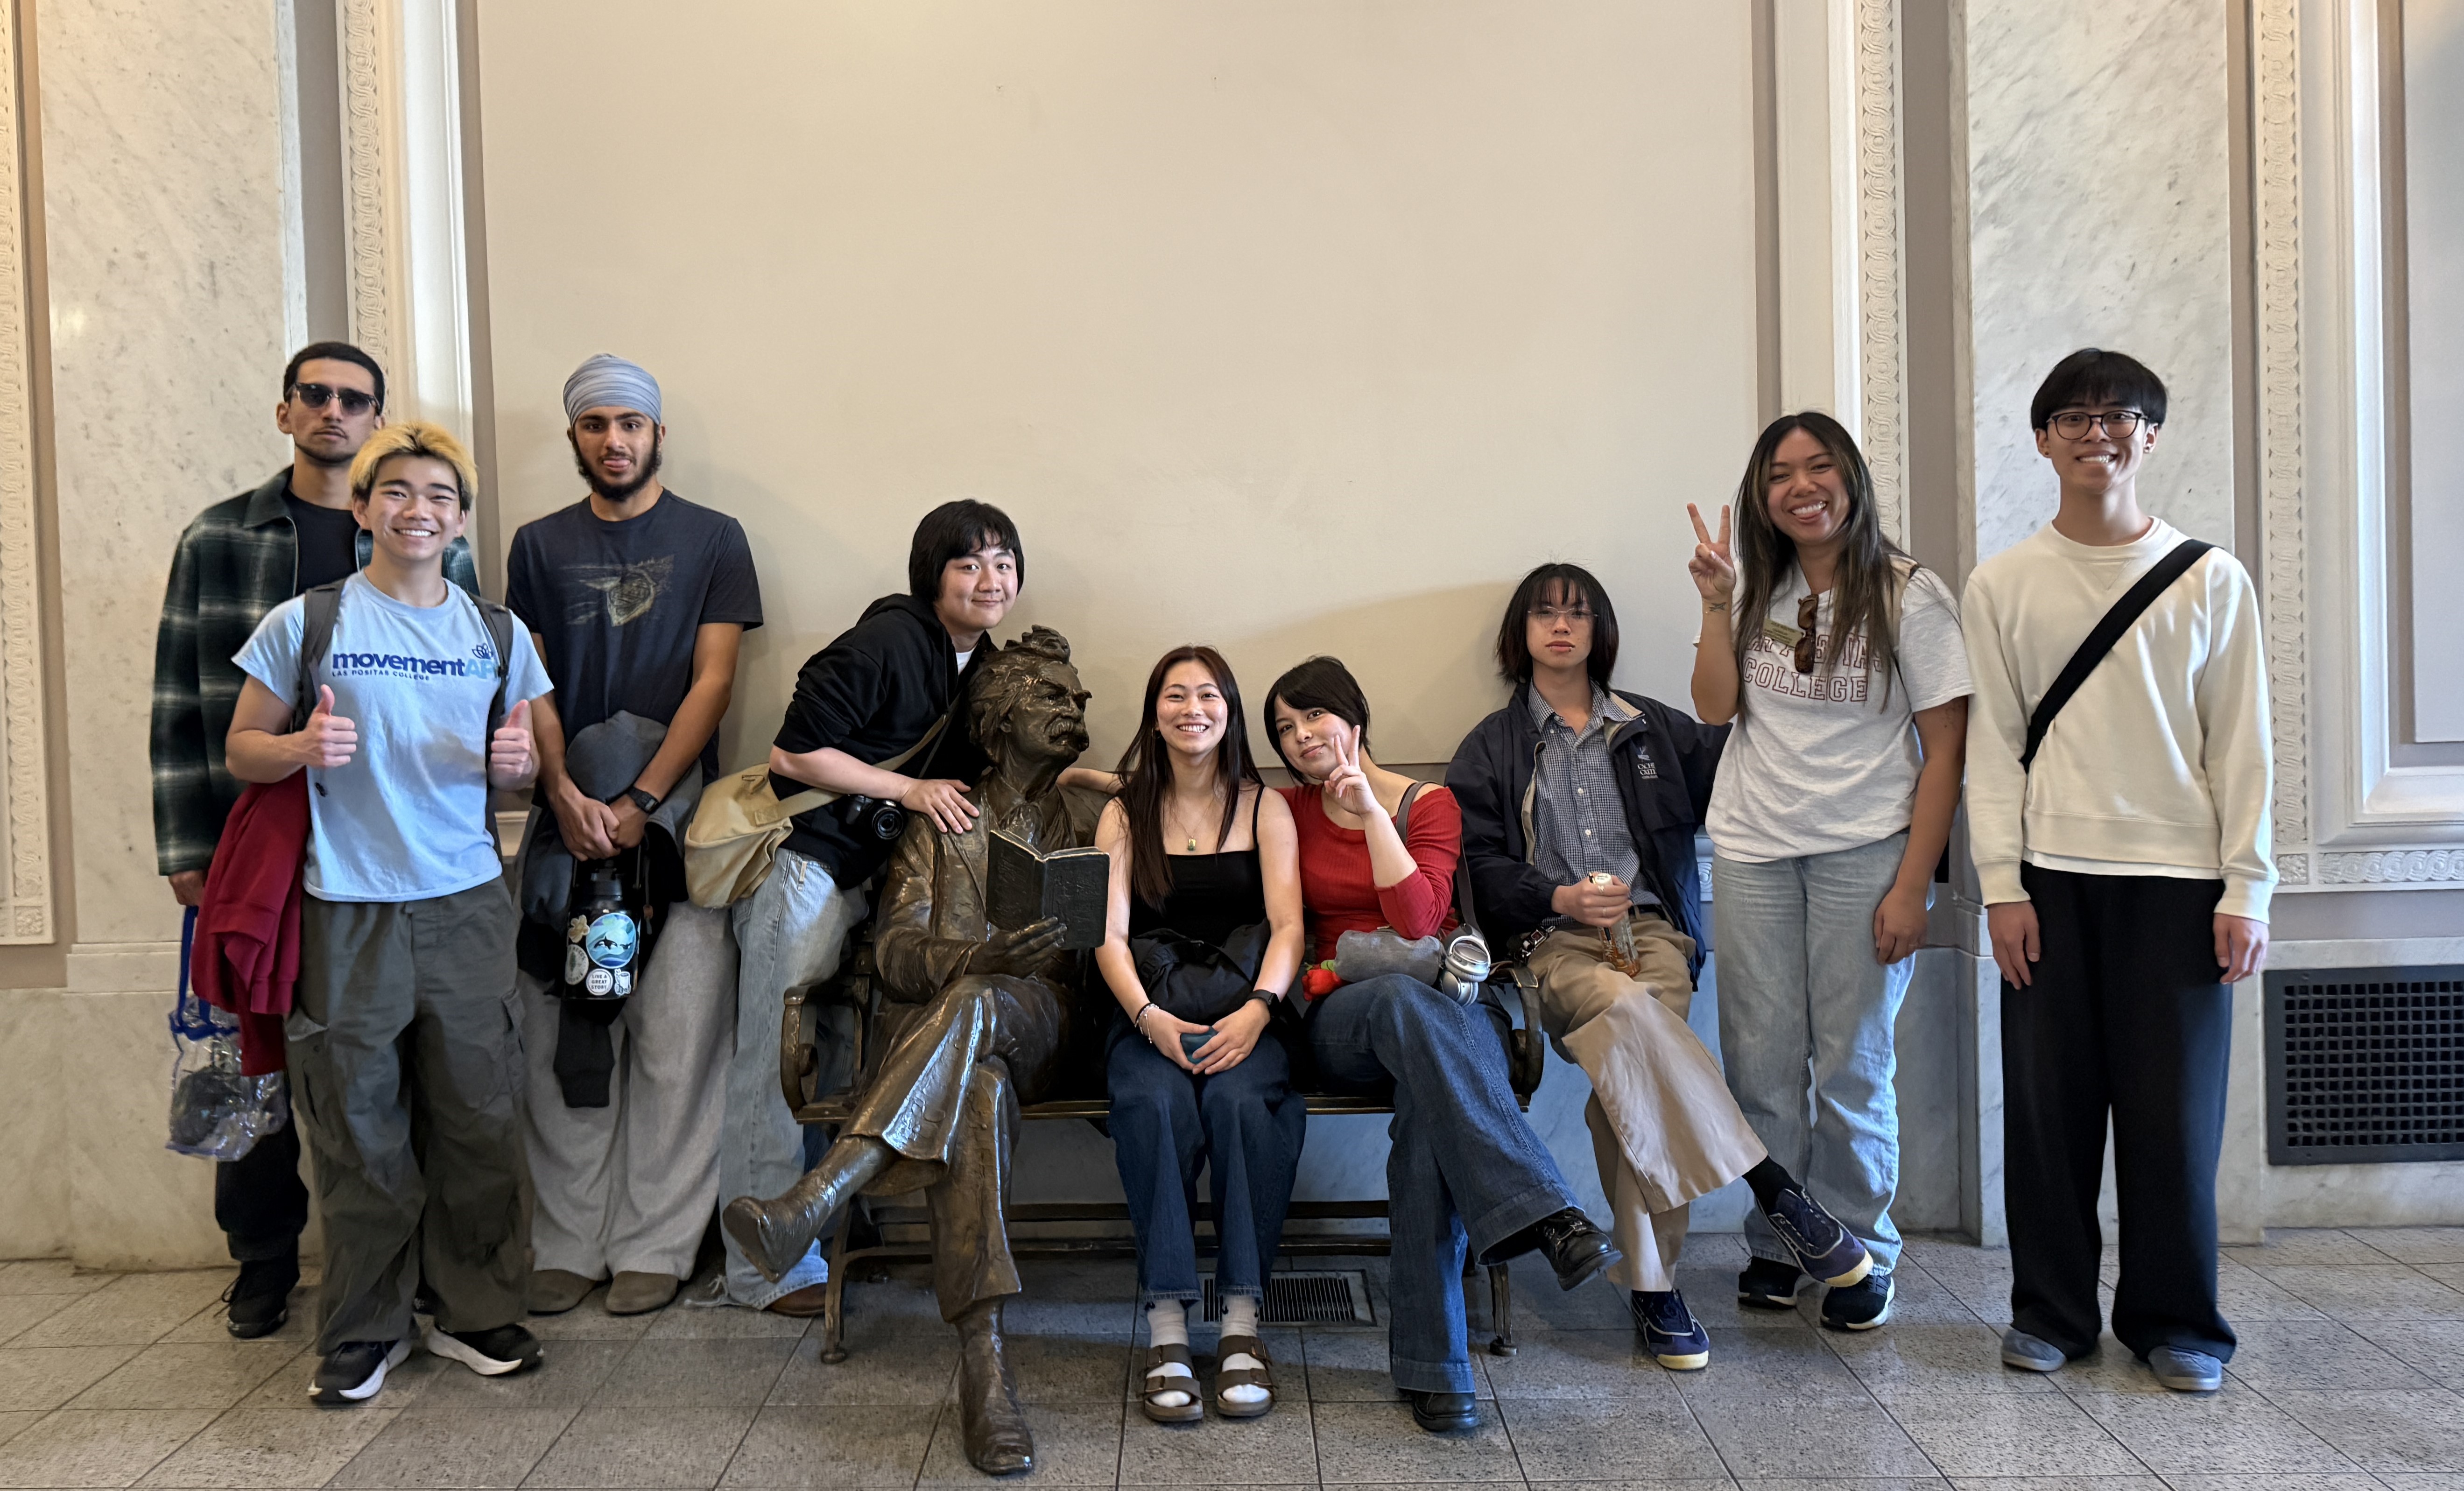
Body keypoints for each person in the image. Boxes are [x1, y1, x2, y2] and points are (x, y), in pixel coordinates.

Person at [1448, 563, 1873, 1369]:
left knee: (1629, 1079)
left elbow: (1755, 737)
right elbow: (1478, 865)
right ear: (1521, 634)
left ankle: (1653, 1289)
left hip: (1656, 937)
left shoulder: (1652, 727)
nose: (1560, 626)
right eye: (1543, 614)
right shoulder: (1495, 744)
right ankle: (1771, 1184)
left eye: (1578, 613)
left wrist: (1745, 618)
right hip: (1553, 946)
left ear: (1602, 630)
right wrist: (1559, 898)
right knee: (1630, 1020)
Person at [150, 341, 479, 1339]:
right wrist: (184, 843)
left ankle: (414, 1270)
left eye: (356, 400)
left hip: (388, 853)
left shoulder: (427, 540)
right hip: (260, 836)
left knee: (381, 1069)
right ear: (287, 412)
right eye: (317, 396)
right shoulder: (220, 536)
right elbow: (180, 694)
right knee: (255, 1051)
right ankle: (261, 1259)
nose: (334, 411)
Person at [1963, 349, 2273, 1393]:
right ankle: (2048, 1311)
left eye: (2120, 415)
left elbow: (2243, 746)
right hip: (2047, 876)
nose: (2097, 432)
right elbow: (1991, 746)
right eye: (2074, 416)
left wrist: (2246, 886)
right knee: (2047, 1115)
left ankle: (2177, 1320)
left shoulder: (2208, 577)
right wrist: (1999, 886)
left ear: (2149, 434)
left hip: (2178, 881)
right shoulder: (2001, 582)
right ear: (2043, 436)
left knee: (2172, 1118)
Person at [224, 422, 551, 1403]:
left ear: (461, 518)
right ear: (363, 507)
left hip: (464, 901)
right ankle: (366, 1326)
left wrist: (518, 773)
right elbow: (242, 746)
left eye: (441, 497)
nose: (420, 511)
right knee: (357, 1123)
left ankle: (478, 1310)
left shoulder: (497, 633)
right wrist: (297, 750)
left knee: (479, 1114)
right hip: (346, 905)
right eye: (398, 492)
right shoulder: (308, 622)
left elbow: (521, 766)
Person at [724, 627, 1099, 1476]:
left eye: (1079, 700)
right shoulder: (939, 819)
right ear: (999, 717)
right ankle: (984, 1369)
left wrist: (1004, 965)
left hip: (1048, 1026)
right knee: (975, 1094)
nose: (1075, 711)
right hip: (956, 1048)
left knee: (980, 1007)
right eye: (1053, 698)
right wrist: (977, 960)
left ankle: (820, 1194)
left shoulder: (1088, 813)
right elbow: (894, 953)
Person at [1266, 656, 1618, 1433]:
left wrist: (1367, 815)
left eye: (1311, 718)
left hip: (1456, 1002)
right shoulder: (1283, 809)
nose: (1299, 739)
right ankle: (1548, 1212)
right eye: (1285, 730)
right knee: (1396, 998)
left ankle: (1440, 1369)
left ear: (1353, 716)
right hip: (1348, 1015)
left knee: (1433, 1113)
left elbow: (1422, 918)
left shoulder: (1430, 805)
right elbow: (1175, 792)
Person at [1683, 412, 1973, 1331]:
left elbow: (1945, 748)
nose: (1800, 486)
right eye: (1779, 474)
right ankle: (1780, 1240)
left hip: (1866, 850)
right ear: (1759, 495)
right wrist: (1712, 599)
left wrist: (1911, 883)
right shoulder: (1752, 586)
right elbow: (1713, 707)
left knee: (1852, 1062)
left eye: (1817, 468)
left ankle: (1859, 1251)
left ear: (1849, 478)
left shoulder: (1907, 595)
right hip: (1753, 846)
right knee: (1759, 1064)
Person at [710, 499, 1019, 1313]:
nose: (990, 580)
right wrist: (906, 788)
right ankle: (757, 1272)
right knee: (772, 1057)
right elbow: (792, 753)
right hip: (807, 873)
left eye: (1003, 564)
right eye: (969, 564)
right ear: (932, 575)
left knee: (832, 1058)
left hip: (864, 891)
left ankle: (818, 1231)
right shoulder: (892, 637)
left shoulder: (975, 660)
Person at [505, 355, 762, 1318]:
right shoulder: (535, 545)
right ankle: (568, 1238)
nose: (615, 439)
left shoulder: (712, 539)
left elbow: (714, 681)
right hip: (563, 832)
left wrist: (642, 801)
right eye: (596, 424)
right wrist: (565, 793)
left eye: (631, 424)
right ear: (574, 437)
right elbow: (524, 683)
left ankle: (658, 1240)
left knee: (675, 1038)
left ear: (659, 435)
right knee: (566, 1031)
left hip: (680, 830)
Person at [1094, 647, 1306, 1424]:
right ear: (1154, 711)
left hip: (1247, 1013)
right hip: (1148, 1016)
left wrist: (1257, 1009)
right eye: (1176, 695)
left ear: (1229, 709)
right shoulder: (1122, 811)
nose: (1193, 708)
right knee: (1153, 1107)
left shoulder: (1264, 805)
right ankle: (1169, 1327)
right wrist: (1146, 1019)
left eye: (1208, 694)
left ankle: (1244, 1325)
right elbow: (1107, 937)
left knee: (1244, 1105)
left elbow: (1289, 925)